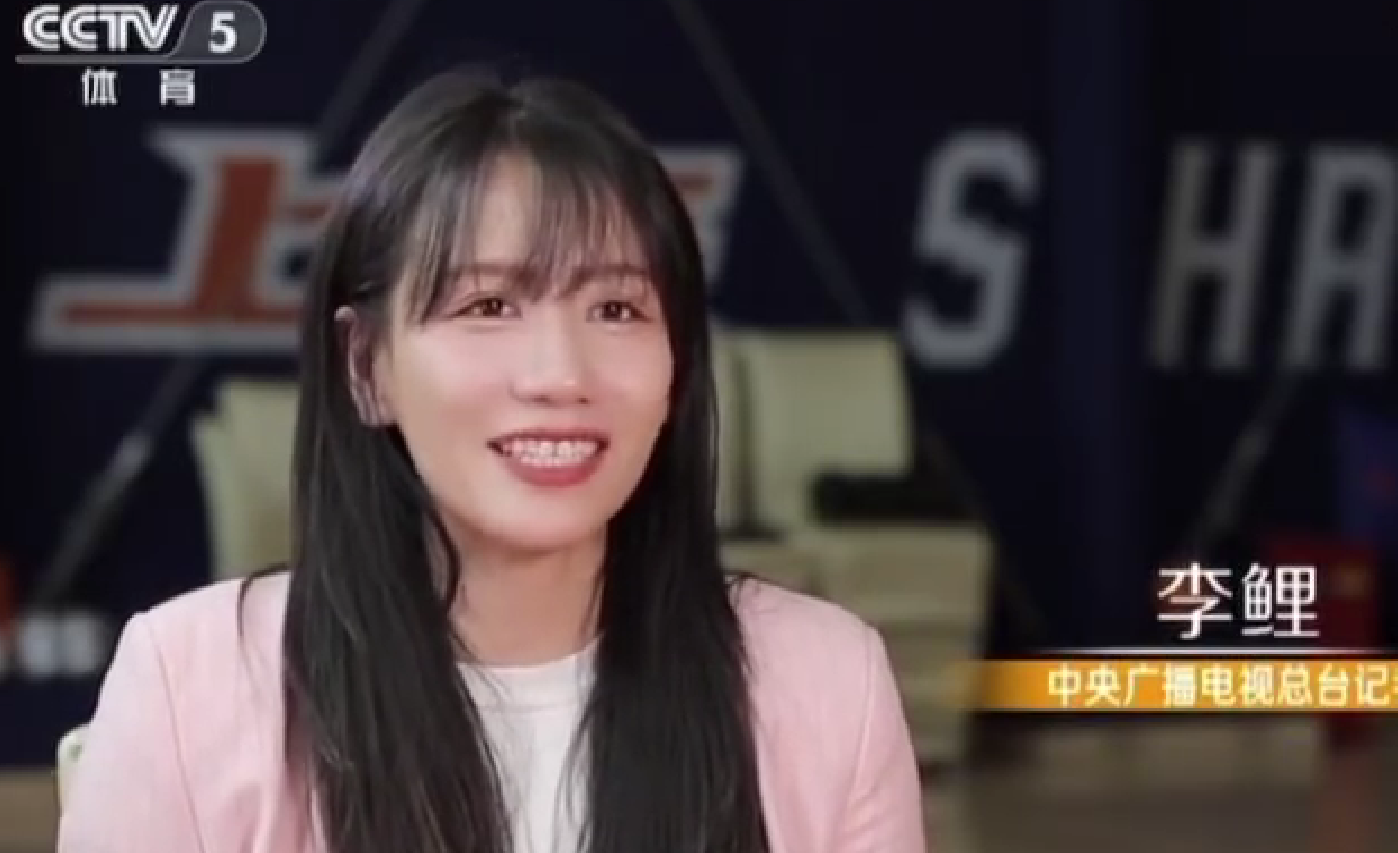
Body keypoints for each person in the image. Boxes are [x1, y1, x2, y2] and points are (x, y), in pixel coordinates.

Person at [56, 67, 926, 853]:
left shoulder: (827, 684)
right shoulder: (189, 685)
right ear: (366, 367)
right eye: (488, 305)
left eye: (616, 308)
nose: (560, 375)